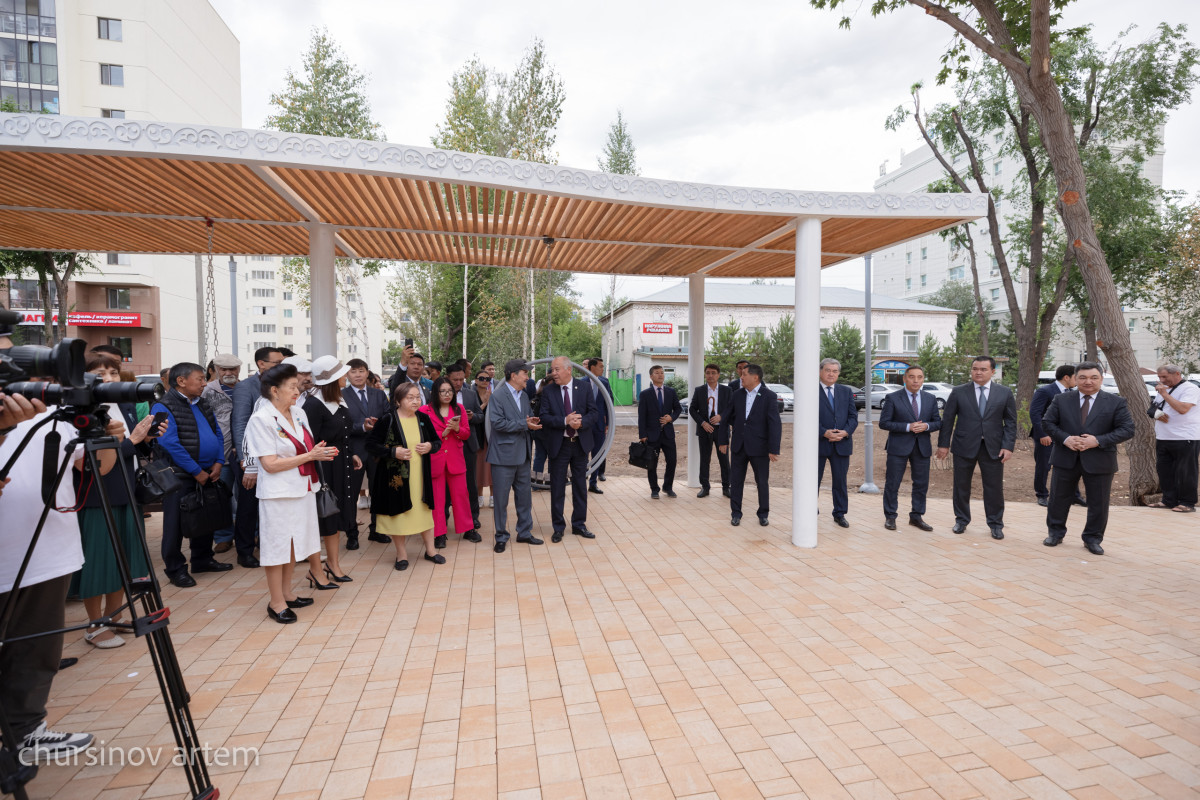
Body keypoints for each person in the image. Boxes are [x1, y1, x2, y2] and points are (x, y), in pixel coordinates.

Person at [1, 403, 101, 763]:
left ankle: (27, 731)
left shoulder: (53, 411)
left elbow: (96, 470)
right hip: (6, 554)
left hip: (47, 550)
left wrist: (109, 441)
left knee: (37, 648)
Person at [74, 353, 164, 648]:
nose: (108, 379)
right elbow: (89, 463)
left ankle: (115, 615)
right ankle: (94, 624)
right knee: (99, 559)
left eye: (113, 372)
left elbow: (129, 450)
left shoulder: (123, 405)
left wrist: (147, 438)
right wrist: (134, 440)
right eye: (100, 373)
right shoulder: (79, 410)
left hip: (126, 490)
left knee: (124, 559)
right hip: (97, 497)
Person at [244, 364, 339, 623]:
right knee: (277, 547)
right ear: (274, 390)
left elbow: (303, 446)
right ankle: (276, 602)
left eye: (298, 386)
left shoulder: (297, 413)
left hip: (303, 488)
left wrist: (319, 452)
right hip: (278, 494)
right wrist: (310, 455)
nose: (298, 391)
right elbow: (270, 464)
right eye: (293, 387)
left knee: (294, 544)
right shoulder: (261, 419)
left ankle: (287, 593)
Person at [152, 362, 233, 588]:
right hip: (181, 475)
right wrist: (196, 471)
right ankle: (175, 569)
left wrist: (218, 462)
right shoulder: (162, 406)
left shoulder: (203, 403)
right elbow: (169, 444)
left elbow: (217, 433)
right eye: (199, 379)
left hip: (209, 472)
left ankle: (202, 559)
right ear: (181, 381)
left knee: (205, 516)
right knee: (175, 524)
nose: (204, 383)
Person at [1041, 362, 1135, 555]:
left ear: (1101, 379)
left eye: (1093, 377)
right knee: (1058, 498)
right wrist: (1065, 438)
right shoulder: (1061, 399)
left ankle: (1092, 538)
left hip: (1100, 460)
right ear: (1075, 379)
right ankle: (1055, 533)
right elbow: (1048, 422)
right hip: (1065, 458)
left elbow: (1127, 430)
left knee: (1098, 502)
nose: (1088, 382)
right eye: (1082, 377)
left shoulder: (1115, 402)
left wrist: (1098, 441)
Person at [936, 356, 1018, 540]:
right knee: (961, 486)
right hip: (964, 446)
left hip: (994, 448)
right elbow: (947, 420)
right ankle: (961, 520)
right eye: (975, 369)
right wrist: (943, 444)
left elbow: (1011, 422)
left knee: (994, 488)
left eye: (983, 369)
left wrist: (1008, 446)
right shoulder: (958, 392)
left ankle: (996, 524)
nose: (978, 372)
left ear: (992, 371)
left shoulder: (1004, 393)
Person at [366, 382, 445, 569]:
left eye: (417, 397)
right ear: (398, 400)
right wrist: (393, 452)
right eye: (410, 397)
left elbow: (436, 441)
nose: (415, 401)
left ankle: (430, 550)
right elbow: (371, 445)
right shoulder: (388, 419)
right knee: (399, 514)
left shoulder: (423, 418)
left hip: (420, 476)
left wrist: (429, 447)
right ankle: (401, 555)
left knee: (424, 512)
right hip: (397, 478)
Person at [303, 356, 360, 581]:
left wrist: (351, 453)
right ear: (332, 380)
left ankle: (333, 565)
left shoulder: (338, 400)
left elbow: (345, 433)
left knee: (336, 517)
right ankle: (316, 570)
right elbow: (310, 442)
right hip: (324, 469)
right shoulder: (313, 405)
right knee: (325, 517)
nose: (346, 377)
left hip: (341, 463)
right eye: (342, 374)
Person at [231, 346, 284, 569]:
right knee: (248, 506)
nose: (282, 366)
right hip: (252, 459)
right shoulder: (246, 387)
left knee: (270, 505)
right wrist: (247, 460)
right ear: (261, 364)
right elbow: (241, 424)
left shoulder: (279, 387)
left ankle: (267, 546)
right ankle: (244, 551)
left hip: (275, 458)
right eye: (277, 363)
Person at [540, 356, 599, 542]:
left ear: (568, 370)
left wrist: (580, 424)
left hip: (580, 444)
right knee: (557, 487)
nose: (553, 373)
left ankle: (579, 525)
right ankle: (558, 527)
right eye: (552, 370)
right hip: (559, 445)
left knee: (580, 486)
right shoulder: (549, 391)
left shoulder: (584, 387)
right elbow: (544, 417)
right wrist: (565, 421)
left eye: (557, 370)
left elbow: (594, 413)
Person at [486, 359, 543, 552]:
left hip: (523, 455)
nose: (528, 377)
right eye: (525, 373)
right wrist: (524, 424)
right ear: (513, 375)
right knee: (501, 500)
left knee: (524, 497)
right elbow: (498, 423)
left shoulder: (525, 396)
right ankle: (501, 536)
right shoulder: (498, 396)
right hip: (503, 456)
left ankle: (524, 533)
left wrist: (531, 421)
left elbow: (524, 419)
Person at [878, 365, 941, 531]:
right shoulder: (892, 398)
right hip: (898, 447)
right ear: (905, 379)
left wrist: (926, 426)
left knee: (921, 484)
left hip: (922, 447)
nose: (916, 380)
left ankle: (917, 516)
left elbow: (937, 422)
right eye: (912, 377)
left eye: (919, 377)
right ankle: (890, 516)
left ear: (923, 379)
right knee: (893, 483)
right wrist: (908, 427)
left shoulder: (930, 398)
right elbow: (884, 423)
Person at [719, 363, 781, 526]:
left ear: (755, 377)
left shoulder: (769, 396)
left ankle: (763, 513)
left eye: (744, 374)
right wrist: (723, 441)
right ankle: (736, 513)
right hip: (739, 446)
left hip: (760, 448)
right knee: (736, 481)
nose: (741, 376)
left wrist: (774, 449)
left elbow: (774, 423)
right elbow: (726, 417)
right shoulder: (737, 394)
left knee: (762, 481)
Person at [421, 376, 478, 547]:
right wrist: (442, 434)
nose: (447, 394)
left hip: (455, 459)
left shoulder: (459, 408)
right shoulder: (425, 411)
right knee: (437, 499)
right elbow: (423, 436)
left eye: (450, 391)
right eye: (443, 391)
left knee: (461, 495)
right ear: (435, 393)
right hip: (435, 459)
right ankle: (439, 534)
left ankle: (468, 529)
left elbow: (466, 433)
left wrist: (456, 429)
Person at [344, 357, 389, 547]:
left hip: (377, 450)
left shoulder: (378, 394)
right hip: (354, 450)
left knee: (378, 491)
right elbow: (341, 425)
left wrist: (378, 426)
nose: (358, 375)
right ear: (347, 374)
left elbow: (388, 417)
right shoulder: (341, 395)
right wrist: (361, 427)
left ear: (367, 373)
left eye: (361, 371)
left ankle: (377, 530)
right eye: (353, 371)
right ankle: (352, 534)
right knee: (352, 494)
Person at [203, 353, 242, 554]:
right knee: (221, 497)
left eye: (232, 369)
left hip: (245, 454)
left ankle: (248, 533)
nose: (228, 373)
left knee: (246, 496)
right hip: (221, 455)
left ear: (239, 370)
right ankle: (224, 537)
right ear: (216, 370)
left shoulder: (247, 388)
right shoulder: (208, 391)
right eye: (224, 369)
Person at [1030, 365, 1085, 508]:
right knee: (1044, 466)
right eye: (1076, 377)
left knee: (1071, 466)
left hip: (1066, 437)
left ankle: (1075, 496)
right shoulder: (1045, 391)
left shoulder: (1073, 393)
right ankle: (1041, 495)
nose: (1078, 381)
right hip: (1047, 436)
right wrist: (1043, 434)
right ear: (1066, 377)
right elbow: (1035, 414)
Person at [1149, 363, 1200, 513]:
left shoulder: (1190, 388)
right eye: (1159, 377)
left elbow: (1183, 409)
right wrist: (1156, 413)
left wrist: (1165, 394)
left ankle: (1187, 502)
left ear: (1177, 374)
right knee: (1164, 470)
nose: (1162, 380)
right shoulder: (1163, 389)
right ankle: (1168, 500)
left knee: (1185, 471)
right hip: (1164, 436)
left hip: (1185, 436)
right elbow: (1153, 408)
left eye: (1165, 376)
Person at [817, 358, 858, 528]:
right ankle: (810, 508)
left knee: (840, 481)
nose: (831, 374)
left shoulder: (845, 391)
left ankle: (840, 513)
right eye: (828, 370)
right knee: (813, 480)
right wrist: (823, 432)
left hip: (841, 443)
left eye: (835, 371)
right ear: (820, 371)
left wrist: (846, 432)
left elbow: (853, 417)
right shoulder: (811, 390)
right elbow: (806, 416)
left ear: (839, 373)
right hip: (818, 444)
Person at [638, 365, 682, 499]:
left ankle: (668, 487)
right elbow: (642, 416)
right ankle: (654, 489)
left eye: (662, 373)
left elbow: (678, 409)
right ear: (651, 376)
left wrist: (671, 418)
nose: (660, 375)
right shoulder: (645, 394)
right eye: (657, 373)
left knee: (672, 461)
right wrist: (642, 435)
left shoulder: (671, 391)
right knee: (652, 463)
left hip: (668, 434)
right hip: (651, 435)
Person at [447, 363, 481, 530]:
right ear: (447, 378)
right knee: (447, 486)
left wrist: (472, 416)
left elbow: (481, 416)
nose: (459, 383)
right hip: (447, 445)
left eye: (461, 379)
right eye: (455, 379)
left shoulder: (470, 394)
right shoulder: (440, 395)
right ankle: (443, 520)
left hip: (468, 444)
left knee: (470, 483)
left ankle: (473, 517)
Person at [690, 363, 732, 498]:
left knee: (724, 459)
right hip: (705, 430)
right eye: (708, 373)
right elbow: (692, 409)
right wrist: (702, 423)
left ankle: (727, 487)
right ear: (705, 374)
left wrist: (721, 416)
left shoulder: (727, 391)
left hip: (722, 430)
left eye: (713, 373)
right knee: (704, 459)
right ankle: (705, 487)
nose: (710, 375)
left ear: (718, 375)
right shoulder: (699, 390)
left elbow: (732, 409)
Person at [585, 358, 614, 493]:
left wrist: (608, 422)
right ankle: (580, 481)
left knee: (597, 454)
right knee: (583, 454)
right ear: (592, 368)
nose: (603, 369)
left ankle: (593, 483)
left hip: (600, 425)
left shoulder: (604, 382)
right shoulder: (580, 382)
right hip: (584, 425)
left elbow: (609, 403)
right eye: (600, 366)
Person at [470, 370, 494, 512]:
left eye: (488, 378)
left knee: (491, 467)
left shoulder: (494, 394)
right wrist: (485, 403)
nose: (485, 380)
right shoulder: (471, 395)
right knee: (478, 468)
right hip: (477, 435)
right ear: (476, 380)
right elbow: (470, 414)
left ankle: (492, 496)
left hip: (491, 436)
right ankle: (479, 496)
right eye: (482, 378)